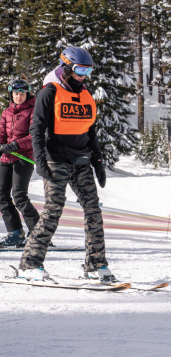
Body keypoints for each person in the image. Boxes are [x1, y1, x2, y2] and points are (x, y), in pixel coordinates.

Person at [17, 46, 114, 282]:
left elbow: (90, 132)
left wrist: (98, 162)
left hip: (81, 160)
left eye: (88, 70)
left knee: (94, 212)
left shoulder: (86, 95)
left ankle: (96, 264)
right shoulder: (49, 92)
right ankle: (30, 265)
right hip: (56, 159)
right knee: (53, 211)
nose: (83, 75)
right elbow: (37, 129)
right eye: (80, 69)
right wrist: (40, 161)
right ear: (66, 67)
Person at [0, 78, 40, 246]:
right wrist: (2, 145)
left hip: (23, 158)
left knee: (19, 196)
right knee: (2, 195)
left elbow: (35, 136)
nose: (19, 96)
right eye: (16, 94)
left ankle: (38, 233)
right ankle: (15, 232)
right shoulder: (6, 112)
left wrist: (16, 145)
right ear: (11, 94)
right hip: (6, 158)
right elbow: (1, 132)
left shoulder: (33, 111)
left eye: (22, 94)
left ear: (27, 94)